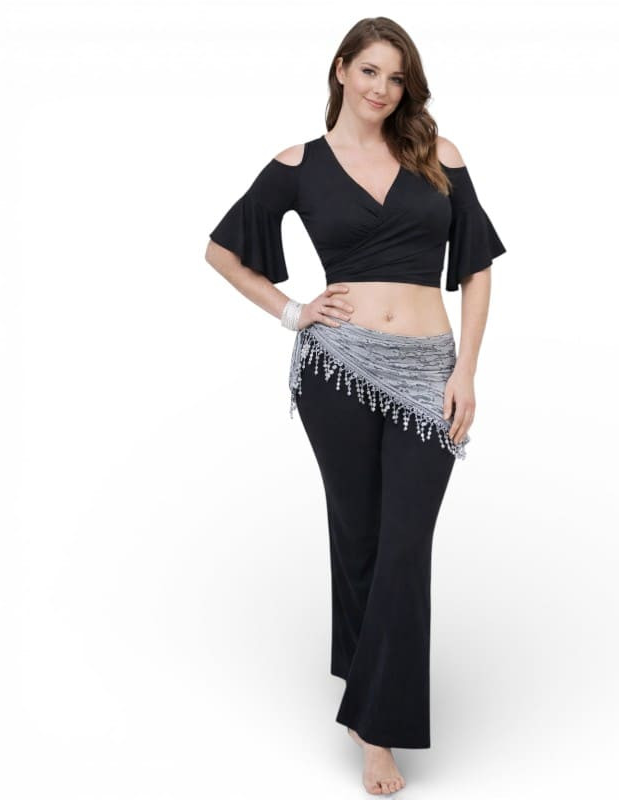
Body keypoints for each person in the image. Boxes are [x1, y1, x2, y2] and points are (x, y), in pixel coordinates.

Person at [204, 16, 506, 796]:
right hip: (337, 371)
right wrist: (293, 311)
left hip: (428, 371)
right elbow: (221, 250)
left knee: (405, 545)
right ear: (341, 70)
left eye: (397, 77)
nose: (383, 88)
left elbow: (476, 268)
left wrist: (466, 370)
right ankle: (372, 714)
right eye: (370, 71)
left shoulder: (438, 156)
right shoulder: (298, 165)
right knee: (363, 539)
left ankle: (375, 722)